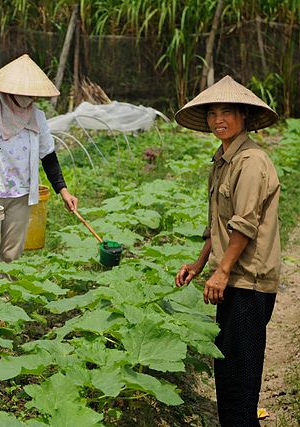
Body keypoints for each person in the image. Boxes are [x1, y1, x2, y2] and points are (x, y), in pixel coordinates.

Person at [174, 75, 280, 426]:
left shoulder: (250, 161)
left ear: (244, 117)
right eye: (213, 113)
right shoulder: (222, 160)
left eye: (227, 112)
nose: (218, 119)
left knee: (241, 376)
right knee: (227, 368)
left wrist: (222, 271)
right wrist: (200, 263)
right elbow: (218, 225)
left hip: (249, 281)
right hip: (231, 278)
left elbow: (244, 225)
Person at [0, 54, 79, 262]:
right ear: (8, 91)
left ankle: (6, 293)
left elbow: (48, 156)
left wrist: (64, 191)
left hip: (20, 195)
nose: (29, 99)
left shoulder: (37, 118)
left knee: (11, 253)